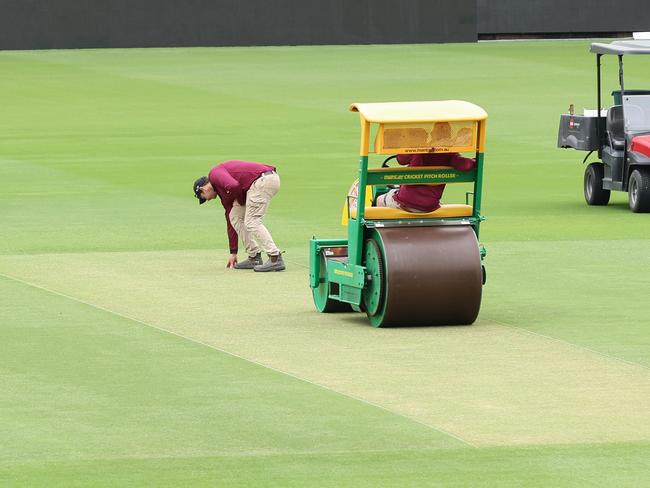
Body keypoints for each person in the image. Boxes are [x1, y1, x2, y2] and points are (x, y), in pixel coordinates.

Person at [193, 160, 284, 272]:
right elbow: (229, 220)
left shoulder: (214, 174)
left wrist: (241, 201)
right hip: (260, 182)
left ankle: (275, 257)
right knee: (234, 217)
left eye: (203, 197)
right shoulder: (223, 194)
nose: (207, 200)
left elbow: (234, 186)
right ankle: (254, 256)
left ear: (203, 189)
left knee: (252, 221)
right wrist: (233, 252)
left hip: (263, 181)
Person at [375, 151, 476, 212]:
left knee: (379, 199)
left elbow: (400, 159)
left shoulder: (417, 149)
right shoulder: (450, 154)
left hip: (406, 202)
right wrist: (474, 161)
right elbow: (466, 165)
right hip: (430, 205)